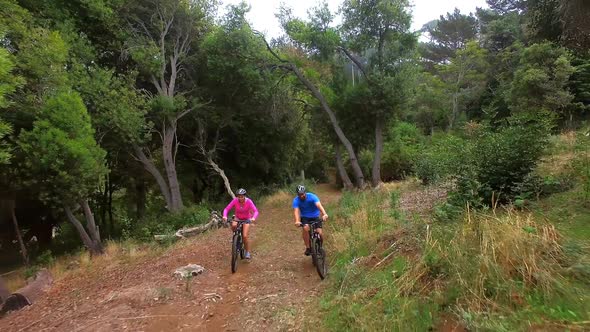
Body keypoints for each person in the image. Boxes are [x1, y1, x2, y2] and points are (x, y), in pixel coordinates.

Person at [222, 188, 259, 259]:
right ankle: (235, 236)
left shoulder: (249, 201)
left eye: (242, 196)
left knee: (245, 236)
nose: (240, 198)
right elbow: (226, 209)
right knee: (233, 225)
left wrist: (253, 218)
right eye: (239, 196)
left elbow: (256, 211)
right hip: (237, 218)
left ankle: (247, 252)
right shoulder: (235, 200)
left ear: (244, 196)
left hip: (246, 219)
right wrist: (224, 216)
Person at [292, 185, 328, 256]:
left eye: (302, 194)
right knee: (305, 229)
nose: (301, 196)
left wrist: (324, 214)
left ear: (305, 192)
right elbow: (296, 211)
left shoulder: (312, 196)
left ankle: (320, 247)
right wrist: (297, 221)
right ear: (297, 194)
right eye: (299, 194)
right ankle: (308, 248)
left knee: (319, 233)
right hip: (305, 217)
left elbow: (319, 205)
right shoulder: (296, 200)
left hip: (315, 216)